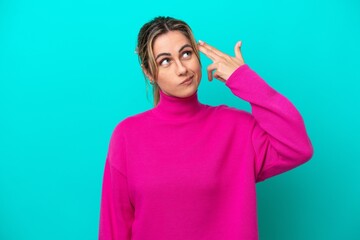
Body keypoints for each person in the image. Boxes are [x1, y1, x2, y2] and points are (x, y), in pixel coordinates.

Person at [98, 16, 314, 240]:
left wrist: (243, 79)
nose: (182, 69)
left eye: (186, 53)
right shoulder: (127, 136)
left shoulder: (237, 128)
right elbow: (114, 228)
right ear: (149, 73)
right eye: (165, 61)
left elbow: (297, 147)